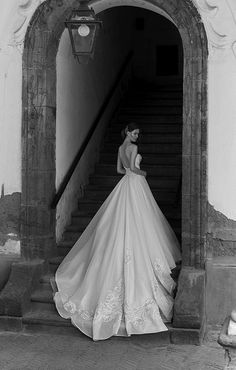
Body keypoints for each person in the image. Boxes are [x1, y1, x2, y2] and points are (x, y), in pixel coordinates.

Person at [53, 122, 181, 341]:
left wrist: (132, 171)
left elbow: (119, 170)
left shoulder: (120, 149)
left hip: (124, 185)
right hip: (135, 184)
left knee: (123, 223)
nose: (137, 135)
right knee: (141, 224)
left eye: (138, 133)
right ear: (128, 132)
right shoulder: (132, 149)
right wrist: (144, 171)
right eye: (135, 132)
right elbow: (132, 169)